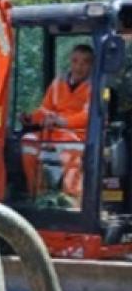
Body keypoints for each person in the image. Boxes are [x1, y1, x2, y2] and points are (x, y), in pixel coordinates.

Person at [20, 44, 94, 203]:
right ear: (70, 62)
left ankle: (71, 197)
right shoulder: (57, 84)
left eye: (85, 62)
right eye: (75, 61)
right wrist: (31, 118)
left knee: (69, 145)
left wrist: (63, 121)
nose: (79, 66)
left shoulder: (95, 86)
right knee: (28, 141)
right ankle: (38, 194)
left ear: (91, 65)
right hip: (54, 132)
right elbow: (45, 109)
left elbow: (89, 115)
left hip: (80, 135)